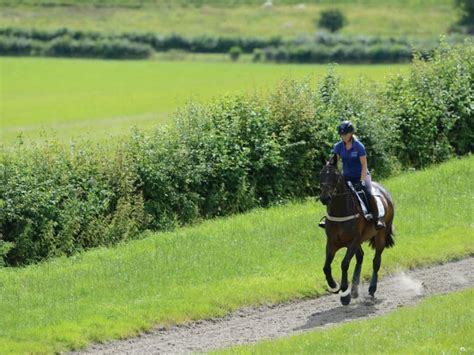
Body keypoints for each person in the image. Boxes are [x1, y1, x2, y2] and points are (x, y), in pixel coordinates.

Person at [319, 120, 385, 230]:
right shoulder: (338, 146)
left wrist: (362, 180)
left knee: (368, 192)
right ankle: (329, 218)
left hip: (362, 175)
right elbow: (334, 161)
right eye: (341, 134)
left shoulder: (359, 147)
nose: (343, 136)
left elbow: (364, 165)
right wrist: (328, 166)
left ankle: (377, 218)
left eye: (345, 134)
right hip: (347, 176)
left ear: (351, 133)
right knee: (334, 193)